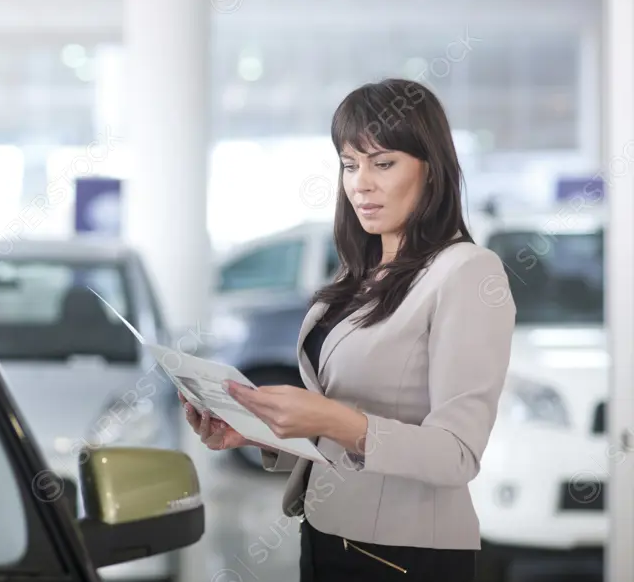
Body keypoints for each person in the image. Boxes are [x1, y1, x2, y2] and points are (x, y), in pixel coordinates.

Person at [180, 78, 516, 582]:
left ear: (432, 170)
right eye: (349, 164)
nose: (361, 183)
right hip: (326, 532)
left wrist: (335, 418)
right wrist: (260, 433)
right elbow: (337, 424)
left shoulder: (467, 271)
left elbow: (457, 454)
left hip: (404, 555)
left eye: (383, 163)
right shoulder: (359, 273)